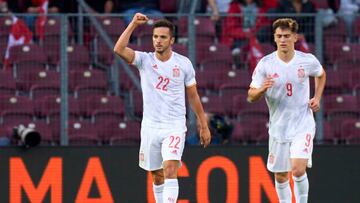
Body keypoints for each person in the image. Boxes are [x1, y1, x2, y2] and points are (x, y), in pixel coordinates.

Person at [113, 13, 211, 203]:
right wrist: (133, 24)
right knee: (157, 174)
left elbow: (193, 95)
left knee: (170, 168)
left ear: (172, 40)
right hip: (150, 126)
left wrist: (203, 124)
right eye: (155, 37)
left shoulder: (183, 64)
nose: (158, 41)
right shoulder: (145, 60)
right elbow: (119, 49)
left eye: (163, 37)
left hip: (174, 125)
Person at [247, 18, 326, 203]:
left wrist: (317, 98)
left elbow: (321, 74)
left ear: (295, 37)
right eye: (279, 36)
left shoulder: (306, 60)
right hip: (279, 128)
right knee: (281, 176)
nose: (283, 40)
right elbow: (250, 96)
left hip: (302, 124)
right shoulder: (265, 64)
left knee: (298, 170)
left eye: (287, 36)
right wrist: (261, 89)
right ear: (274, 38)